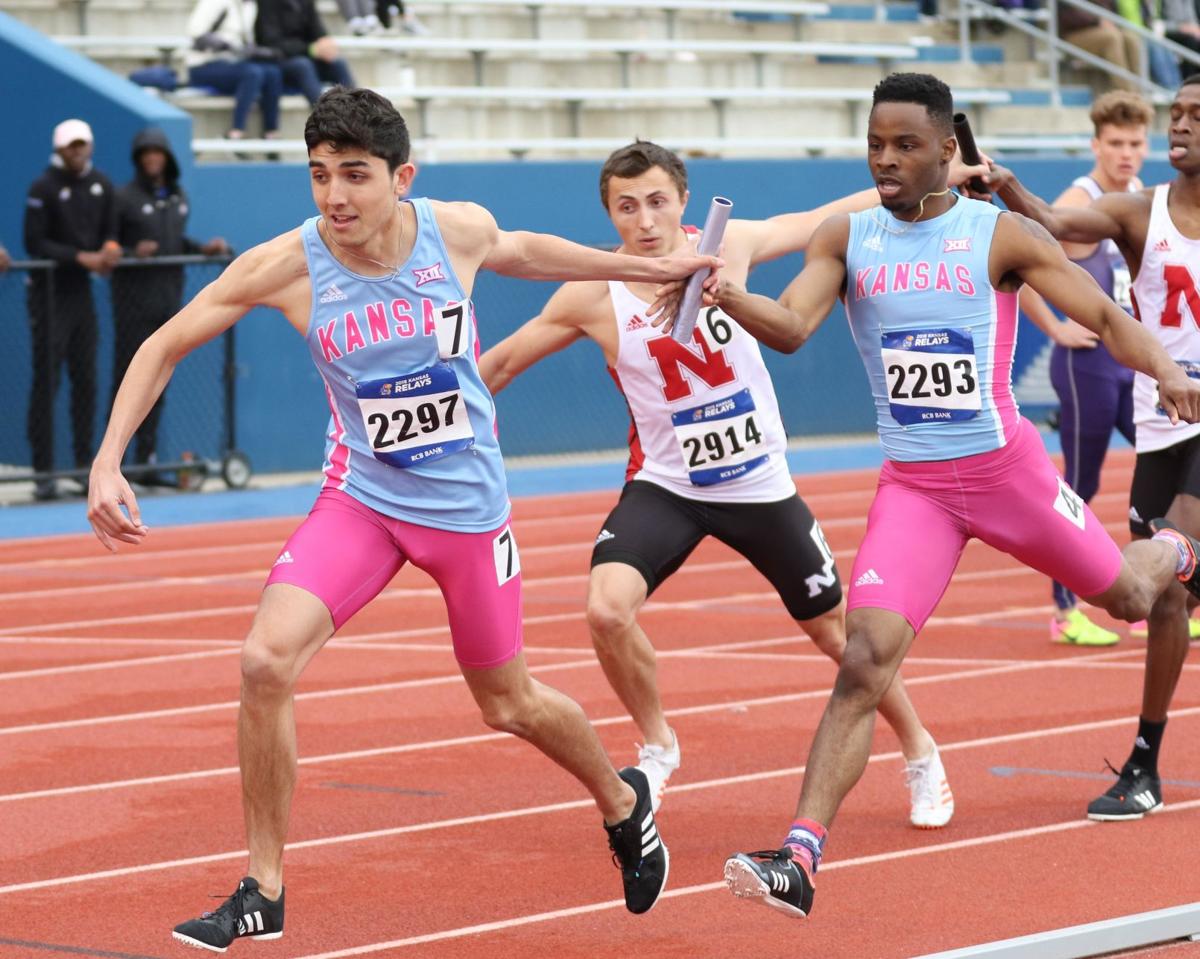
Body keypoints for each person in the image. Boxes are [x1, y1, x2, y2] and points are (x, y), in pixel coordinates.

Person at [87, 87, 719, 951]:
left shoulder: (451, 231)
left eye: (354, 174)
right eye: (319, 176)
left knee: (509, 702)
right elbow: (164, 342)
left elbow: (526, 250)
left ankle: (621, 799)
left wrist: (648, 268)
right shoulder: (290, 263)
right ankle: (262, 887)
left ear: (401, 176)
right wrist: (107, 458)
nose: (335, 196)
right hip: (364, 500)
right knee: (265, 660)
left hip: (466, 513)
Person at [687, 72, 1200, 919]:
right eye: (875, 144)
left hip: (1011, 479)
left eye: (906, 145)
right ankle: (799, 857)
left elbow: (1108, 319)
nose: (886, 160)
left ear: (947, 150)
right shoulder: (846, 237)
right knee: (863, 659)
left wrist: (1169, 369)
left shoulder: (998, 236)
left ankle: (1181, 548)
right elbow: (788, 327)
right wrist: (729, 296)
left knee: (1131, 594)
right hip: (916, 490)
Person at [477, 139, 990, 829]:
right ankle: (658, 743)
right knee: (605, 609)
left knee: (841, 637)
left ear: (683, 201)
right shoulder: (592, 294)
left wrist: (940, 177)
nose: (645, 220)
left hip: (757, 485)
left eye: (658, 201)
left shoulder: (729, 247)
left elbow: (822, 217)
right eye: (627, 207)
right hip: (668, 484)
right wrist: (438, 412)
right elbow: (505, 361)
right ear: (610, 215)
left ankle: (921, 750)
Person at [975, 72, 1200, 825]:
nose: (1179, 126)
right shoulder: (1140, 212)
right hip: (1161, 429)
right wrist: (1006, 186)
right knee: (1164, 603)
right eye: (1176, 113)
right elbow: (1048, 221)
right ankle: (1146, 762)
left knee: (1175, 549)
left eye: (1196, 116)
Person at [1018, 91, 1150, 646]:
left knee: (1163, 471)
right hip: (1088, 367)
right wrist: (1055, 328)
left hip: (1131, 366)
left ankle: (1156, 592)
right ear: (1096, 144)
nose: (1126, 154)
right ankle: (1064, 608)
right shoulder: (1079, 200)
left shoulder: (1141, 198)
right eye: (1115, 143)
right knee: (1081, 485)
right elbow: (1018, 268)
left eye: (1136, 143)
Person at [112, 127, 229, 482]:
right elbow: (111, 246)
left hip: (169, 302)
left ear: (166, 157)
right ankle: (113, 463)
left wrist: (201, 249)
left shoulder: (177, 196)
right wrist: (133, 253)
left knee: (157, 381)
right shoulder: (124, 197)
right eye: (145, 153)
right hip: (133, 305)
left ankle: (146, 460)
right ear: (138, 158)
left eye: (157, 152)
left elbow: (174, 241)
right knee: (126, 380)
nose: (151, 158)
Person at [24, 118, 121, 501]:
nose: (78, 151)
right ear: (60, 149)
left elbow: (112, 228)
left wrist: (112, 245)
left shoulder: (101, 184)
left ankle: (84, 466)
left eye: (82, 144)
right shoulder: (42, 187)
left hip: (81, 295)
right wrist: (81, 257)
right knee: (47, 382)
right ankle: (43, 471)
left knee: (86, 380)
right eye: (71, 145)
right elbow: (34, 243)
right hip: (49, 294)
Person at [186, 0, 285, 142]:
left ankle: (271, 133)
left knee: (272, 73)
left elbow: (245, 43)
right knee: (252, 73)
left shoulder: (250, 6)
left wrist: (261, 52)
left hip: (234, 65)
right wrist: (225, 45)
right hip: (203, 65)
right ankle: (236, 132)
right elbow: (196, 34)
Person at [255, 0, 355, 105]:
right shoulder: (268, 3)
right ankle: (323, 114)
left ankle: (357, 112)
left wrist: (325, 43)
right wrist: (310, 49)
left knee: (338, 63)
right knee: (303, 65)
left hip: (305, 56)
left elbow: (317, 29)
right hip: (277, 59)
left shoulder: (306, 2)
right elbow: (271, 41)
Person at [1060, 0, 1144, 92]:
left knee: (1131, 39)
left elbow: (1112, 10)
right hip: (1074, 33)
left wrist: (1110, 22)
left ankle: (1139, 92)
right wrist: (1097, 21)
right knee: (1112, 37)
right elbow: (1068, 16)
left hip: (1102, 29)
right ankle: (1126, 92)